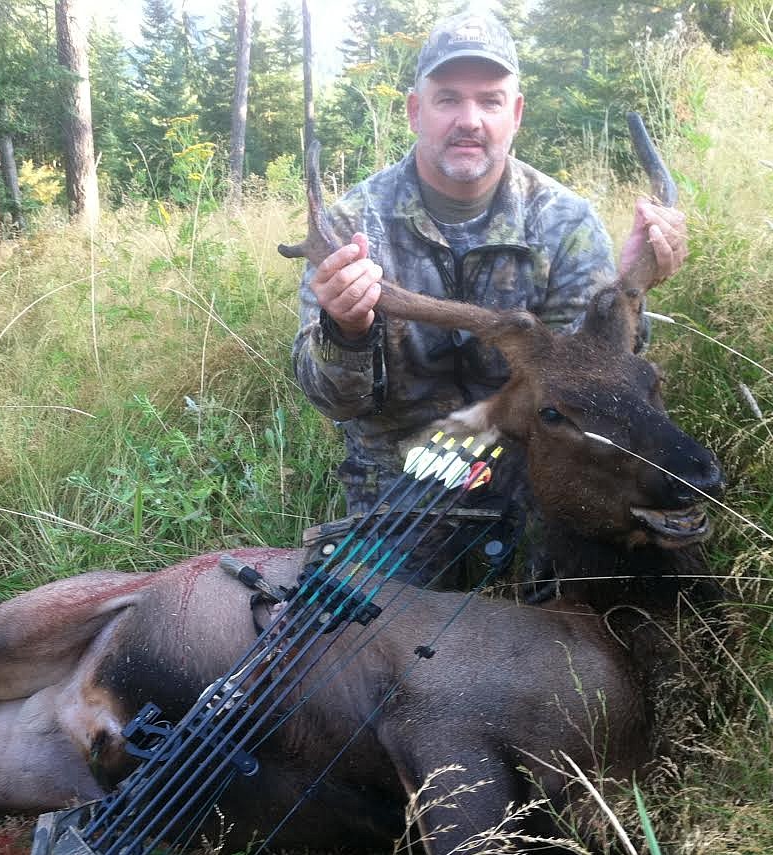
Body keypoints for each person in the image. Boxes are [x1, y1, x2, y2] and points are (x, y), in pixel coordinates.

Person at [291, 12, 688, 590]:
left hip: (534, 473)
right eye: (448, 99)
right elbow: (332, 399)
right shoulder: (349, 227)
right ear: (414, 110)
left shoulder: (565, 222)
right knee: (359, 639)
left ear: (516, 113)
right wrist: (344, 330)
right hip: (399, 479)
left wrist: (627, 292)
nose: (469, 120)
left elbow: (596, 383)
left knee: (603, 614)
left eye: (490, 100)